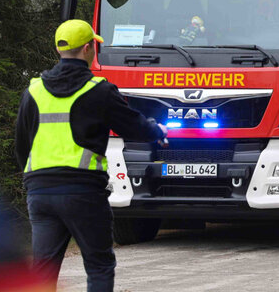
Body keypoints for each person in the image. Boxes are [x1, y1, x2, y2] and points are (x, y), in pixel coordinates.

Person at [14, 19, 168, 292]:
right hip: (83, 192)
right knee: (98, 265)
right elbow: (132, 125)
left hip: (40, 193)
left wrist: (33, 182)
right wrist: (157, 132)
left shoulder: (33, 91)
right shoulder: (99, 90)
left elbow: (22, 145)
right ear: (87, 48)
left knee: (42, 272)